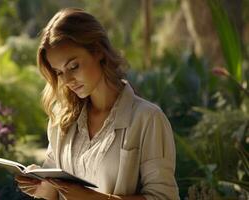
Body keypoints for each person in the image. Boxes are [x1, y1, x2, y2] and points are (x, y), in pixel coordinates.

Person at [15, 7, 179, 200]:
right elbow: (54, 194)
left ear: (98, 51)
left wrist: (90, 197)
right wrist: (41, 185)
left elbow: (164, 197)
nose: (67, 80)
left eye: (73, 66)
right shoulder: (62, 119)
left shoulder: (147, 118)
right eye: (59, 72)